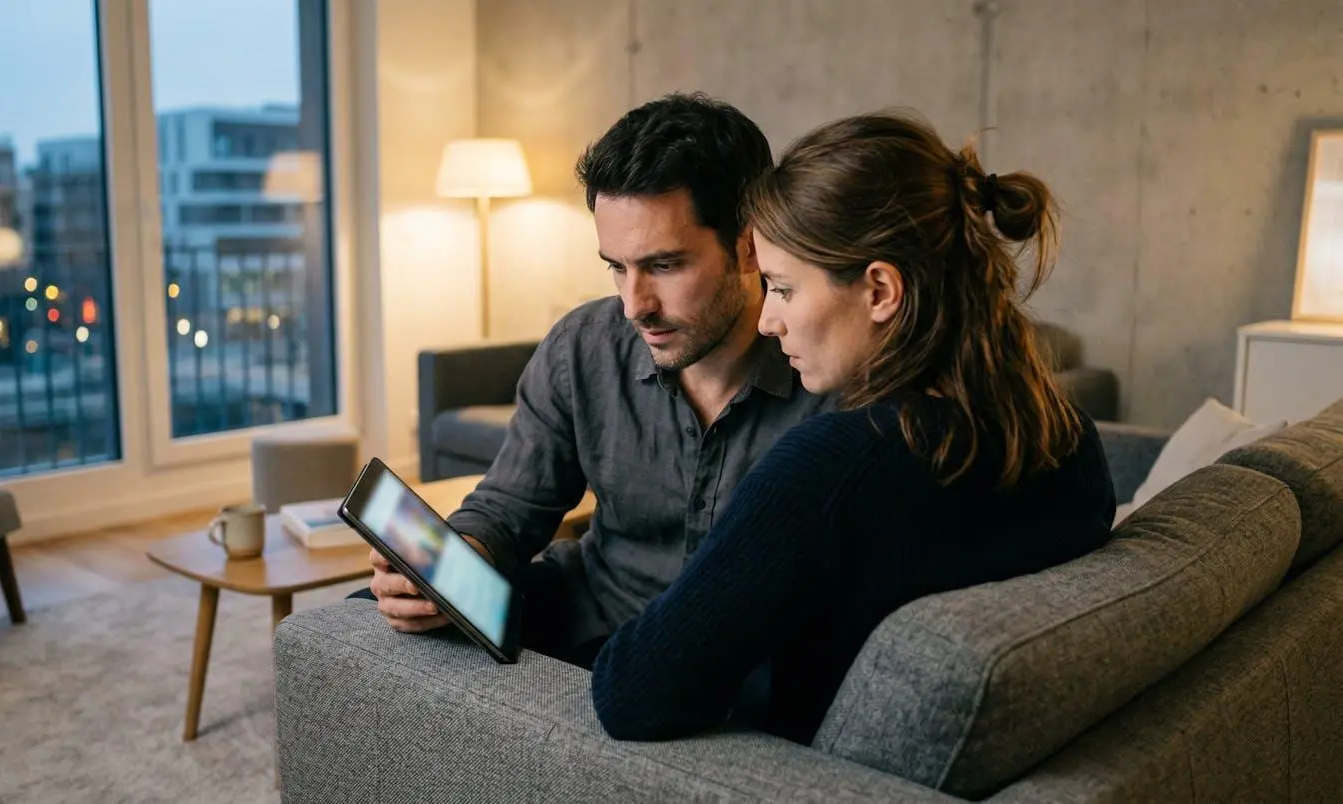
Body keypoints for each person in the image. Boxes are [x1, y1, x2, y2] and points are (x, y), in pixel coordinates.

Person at [588, 109, 1118, 745]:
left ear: (881, 291)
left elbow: (631, 695)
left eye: (782, 288)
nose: (767, 321)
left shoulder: (829, 470)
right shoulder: (1067, 438)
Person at [350, 92, 832, 668]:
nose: (634, 305)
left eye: (664, 265)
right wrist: (451, 565)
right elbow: (507, 509)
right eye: (616, 266)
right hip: (594, 610)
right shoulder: (584, 345)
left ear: (748, 245)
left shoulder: (827, 373)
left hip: (731, 664)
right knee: (364, 628)